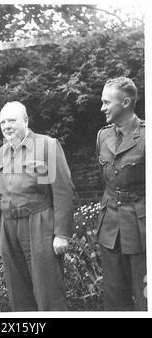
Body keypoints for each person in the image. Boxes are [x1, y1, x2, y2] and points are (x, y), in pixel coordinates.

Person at [0, 101, 74, 311]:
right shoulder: (0, 153)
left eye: (12, 120)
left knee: (48, 292)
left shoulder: (47, 145)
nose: (6, 126)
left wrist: (61, 233)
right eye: (2, 121)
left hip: (39, 222)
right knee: (17, 295)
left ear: (26, 121)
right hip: (9, 227)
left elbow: (63, 190)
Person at [96, 77, 146, 311]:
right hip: (110, 229)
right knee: (115, 300)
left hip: (140, 230)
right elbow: (104, 180)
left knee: (146, 297)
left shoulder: (146, 136)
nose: (102, 108)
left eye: (107, 102)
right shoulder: (103, 136)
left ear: (126, 102)